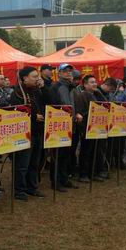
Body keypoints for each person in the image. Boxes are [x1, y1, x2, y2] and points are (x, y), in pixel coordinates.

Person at [9, 67, 46, 200]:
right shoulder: (17, 93)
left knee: (35, 163)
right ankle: (19, 190)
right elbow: (15, 113)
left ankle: (32, 187)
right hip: (24, 134)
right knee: (22, 164)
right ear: (25, 78)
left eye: (38, 76)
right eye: (34, 76)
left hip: (38, 131)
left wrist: (44, 87)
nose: (37, 79)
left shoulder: (37, 91)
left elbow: (49, 102)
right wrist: (34, 117)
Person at [49, 63, 78, 191]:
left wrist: (76, 114)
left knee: (67, 154)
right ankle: (56, 182)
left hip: (70, 124)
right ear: (59, 73)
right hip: (59, 125)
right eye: (65, 71)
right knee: (57, 155)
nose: (68, 73)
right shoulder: (56, 87)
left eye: (70, 71)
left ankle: (64, 179)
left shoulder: (70, 87)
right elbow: (55, 105)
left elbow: (72, 104)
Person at [74, 75, 106, 183]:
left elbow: (106, 105)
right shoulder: (82, 95)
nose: (94, 84)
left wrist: (99, 93)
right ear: (85, 84)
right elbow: (80, 112)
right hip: (87, 128)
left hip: (99, 127)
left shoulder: (96, 94)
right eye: (91, 82)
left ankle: (95, 172)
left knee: (97, 151)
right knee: (86, 151)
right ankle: (83, 174)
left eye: (95, 82)